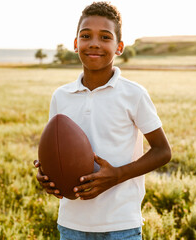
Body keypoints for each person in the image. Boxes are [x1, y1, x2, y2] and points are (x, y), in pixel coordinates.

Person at [34, 2, 171, 239]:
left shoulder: (134, 94)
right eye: (86, 36)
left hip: (121, 224)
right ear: (76, 44)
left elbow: (162, 151)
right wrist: (47, 176)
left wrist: (117, 175)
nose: (94, 43)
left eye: (105, 37)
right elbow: (58, 149)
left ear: (118, 47)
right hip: (72, 224)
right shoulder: (61, 96)